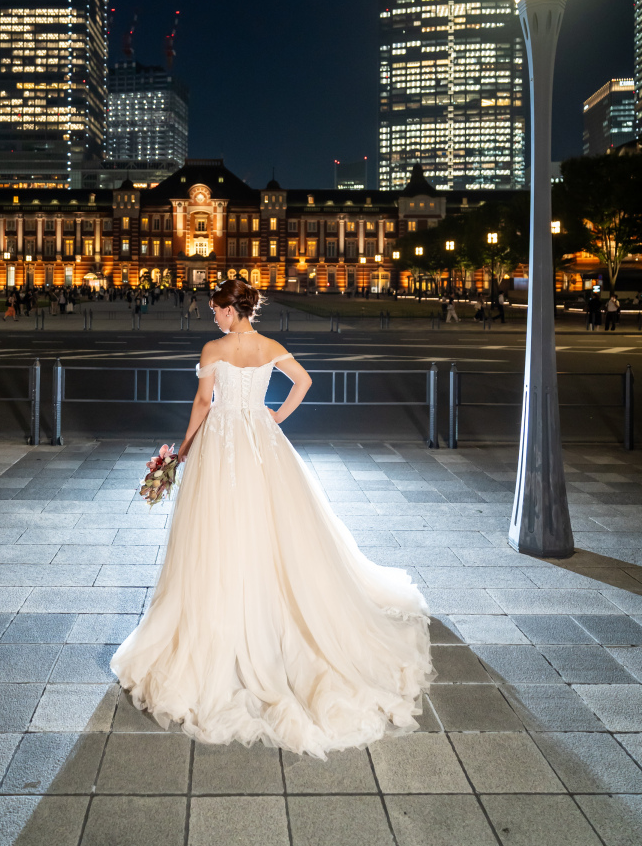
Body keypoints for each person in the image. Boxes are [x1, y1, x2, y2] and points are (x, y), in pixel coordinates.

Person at [111, 277, 433, 757]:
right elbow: (304, 382)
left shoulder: (214, 347)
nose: (211, 315)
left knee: (217, 528)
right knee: (275, 524)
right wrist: (274, 418)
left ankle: (223, 610)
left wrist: (182, 450)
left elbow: (203, 402)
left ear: (230, 309)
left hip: (221, 440)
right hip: (261, 437)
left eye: (215, 308)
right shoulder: (269, 345)